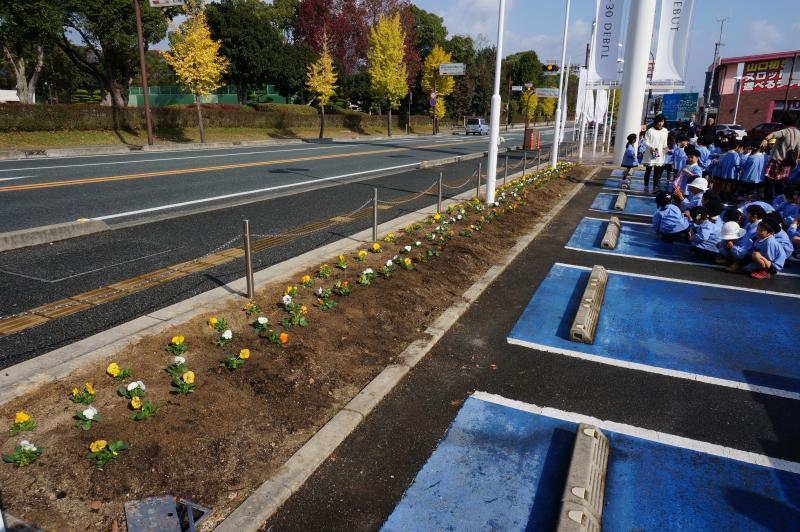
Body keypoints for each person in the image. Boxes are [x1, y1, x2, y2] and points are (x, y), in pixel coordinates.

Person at [760, 114, 800, 202]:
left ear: (784, 122)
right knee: (780, 185)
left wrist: (765, 140)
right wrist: (796, 160)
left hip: (776, 161)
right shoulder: (798, 133)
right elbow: (798, 149)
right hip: (787, 162)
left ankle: (768, 202)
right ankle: (779, 202)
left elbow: (773, 134)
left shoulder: (784, 131)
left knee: (769, 184)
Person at [641, 114, 669, 194]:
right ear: (656, 122)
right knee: (648, 171)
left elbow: (665, 141)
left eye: (662, 121)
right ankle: (646, 186)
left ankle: (655, 187)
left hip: (659, 153)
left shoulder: (665, 130)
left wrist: (665, 147)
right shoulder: (650, 131)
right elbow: (645, 141)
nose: (661, 123)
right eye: (659, 121)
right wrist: (650, 147)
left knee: (657, 172)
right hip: (651, 153)